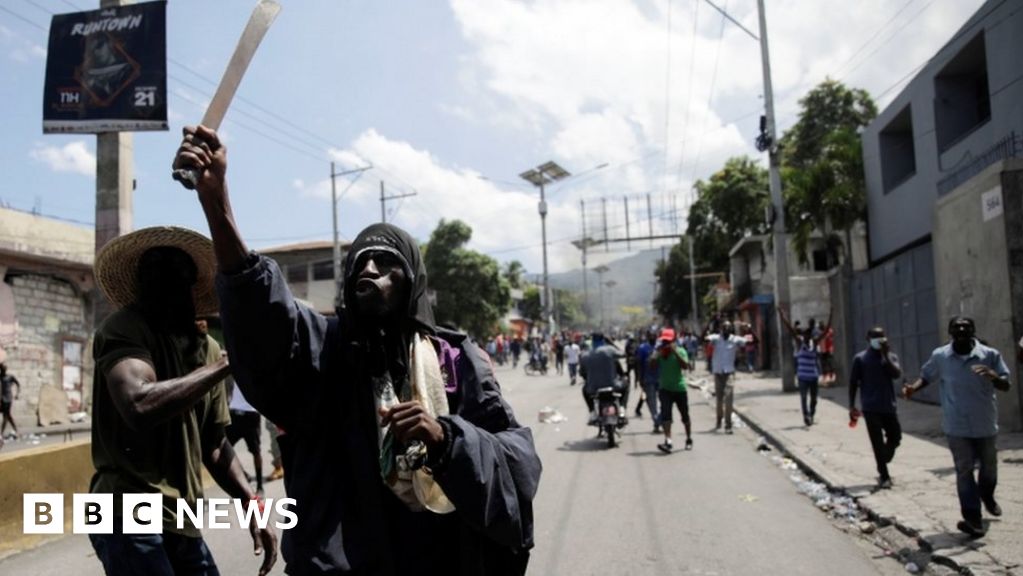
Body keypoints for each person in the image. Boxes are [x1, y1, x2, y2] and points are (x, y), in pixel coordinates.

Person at [176, 125, 542, 575]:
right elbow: (263, 317)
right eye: (360, 263)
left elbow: (518, 461)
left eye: (387, 262)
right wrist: (217, 201)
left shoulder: (454, 358)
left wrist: (447, 438)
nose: (369, 268)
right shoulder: (323, 347)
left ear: (413, 286)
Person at [88, 226, 277, 575]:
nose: (161, 282)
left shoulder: (207, 350)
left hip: (181, 518)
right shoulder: (124, 328)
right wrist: (225, 365)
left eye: (173, 273)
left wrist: (254, 507)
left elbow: (215, 445)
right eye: (151, 272)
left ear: (191, 285)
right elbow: (139, 404)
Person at [902, 317, 1012, 538]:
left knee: (989, 469)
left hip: (985, 424)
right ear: (950, 331)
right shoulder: (941, 356)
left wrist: (993, 376)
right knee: (964, 470)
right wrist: (913, 388)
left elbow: (1006, 384)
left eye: (966, 326)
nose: (961, 329)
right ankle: (973, 519)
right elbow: (926, 376)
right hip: (956, 425)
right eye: (957, 326)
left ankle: (987, 496)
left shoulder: (989, 355)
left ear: (973, 330)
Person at [849, 327, 903, 490]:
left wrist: (885, 355)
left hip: (888, 405)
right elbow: (853, 383)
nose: (878, 340)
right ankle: (884, 475)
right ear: (868, 338)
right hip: (870, 407)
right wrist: (852, 405)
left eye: (881, 337)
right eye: (875, 337)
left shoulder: (891, 357)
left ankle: (884, 458)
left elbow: (896, 374)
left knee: (895, 437)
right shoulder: (860, 359)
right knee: (877, 442)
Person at [778, 307, 833, 426]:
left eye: (809, 336)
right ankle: (806, 416)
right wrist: (783, 317)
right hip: (802, 377)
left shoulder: (815, 343)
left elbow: (826, 331)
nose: (807, 338)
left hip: (813, 377)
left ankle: (811, 415)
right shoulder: (800, 343)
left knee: (814, 399)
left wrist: (831, 316)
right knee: (803, 398)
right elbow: (790, 330)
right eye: (805, 336)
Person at [650, 329, 692, 453]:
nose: (666, 343)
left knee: (685, 416)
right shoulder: (661, 353)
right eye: (664, 341)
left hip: (679, 389)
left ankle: (688, 438)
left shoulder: (681, 351)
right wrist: (655, 355)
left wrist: (674, 351)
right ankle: (668, 440)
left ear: (673, 340)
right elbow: (652, 367)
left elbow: (685, 366)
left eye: (668, 341)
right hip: (665, 389)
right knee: (666, 416)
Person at [704, 320, 747, 434]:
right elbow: (703, 339)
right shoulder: (716, 338)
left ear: (731, 329)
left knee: (728, 397)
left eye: (728, 327)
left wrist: (749, 328)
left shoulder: (735, 339)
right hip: (718, 372)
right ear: (721, 329)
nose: (726, 330)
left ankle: (728, 424)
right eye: (724, 327)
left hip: (729, 373)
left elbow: (753, 341)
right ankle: (719, 419)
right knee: (719, 399)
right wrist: (709, 326)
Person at [579, 332, 627, 421]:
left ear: (592, 341)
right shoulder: (610, 350)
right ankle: (622, 407)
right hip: (613, 385)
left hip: (593, 388)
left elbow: (581, 372)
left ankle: (592, 411)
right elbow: (623, 354)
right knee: (626, 383)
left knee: (584, 390)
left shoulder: (585, 354)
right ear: (603, 340)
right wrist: (612, 343)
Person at [634, 331, 660, 432]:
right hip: (649, 379)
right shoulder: (642, 348)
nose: (653, 337)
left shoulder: (660, 347)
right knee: (651, 402)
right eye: (651, 335)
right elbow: (639, 364)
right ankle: (656, 421)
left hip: (661, 378)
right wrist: (639, 378)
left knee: (663, 402)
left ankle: (659, 419)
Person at [1, 362, 21, 440]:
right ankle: (16, 430)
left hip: (8, 399)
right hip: (2, 399)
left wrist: (17, 394)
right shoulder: (1, 377)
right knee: (8, 416)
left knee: (6, 416)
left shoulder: (10, 377)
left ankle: (1, 433)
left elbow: (17, 384)